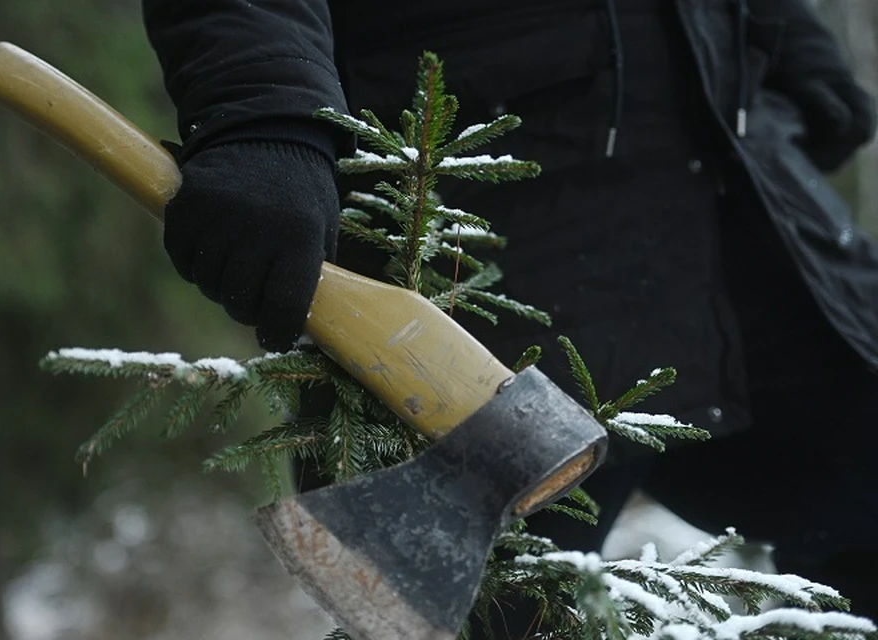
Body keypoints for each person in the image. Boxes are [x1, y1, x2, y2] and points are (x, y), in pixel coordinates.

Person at [142, 0, 878, 626]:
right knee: (502, 610)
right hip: (486, 218)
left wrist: (781, 24)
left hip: (736, 170)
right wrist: (266, 109)